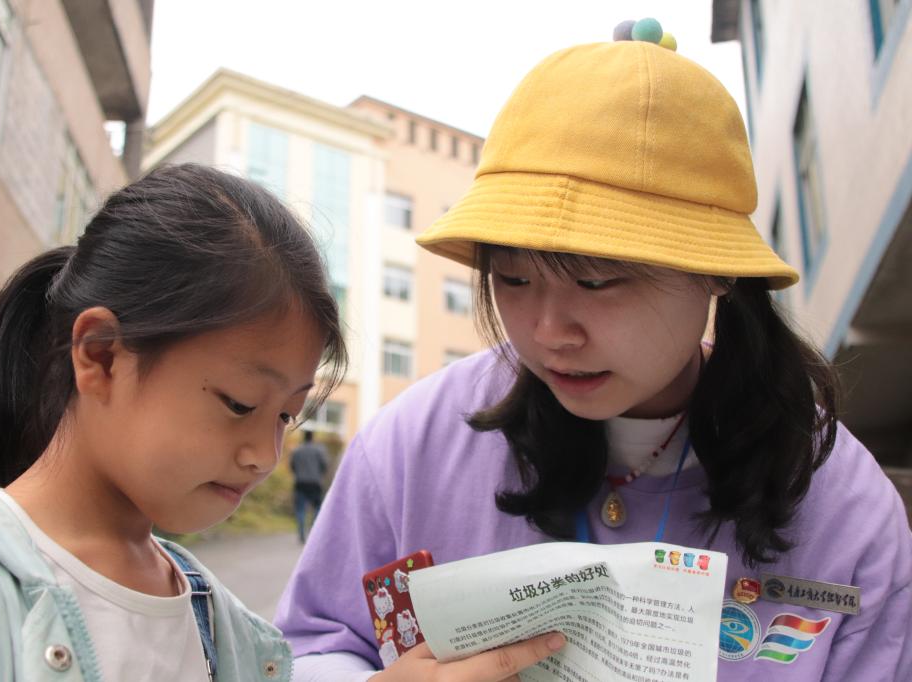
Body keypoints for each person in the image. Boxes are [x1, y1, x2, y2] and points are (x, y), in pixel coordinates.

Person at [275, 25, 912, 682]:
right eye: (512, 279)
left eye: (598, 281)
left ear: (718, 271)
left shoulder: (844, 512)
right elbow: (306, 647)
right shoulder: (414, 447)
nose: (550, 331)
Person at [0, 163, 350, 680]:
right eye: (240, 405)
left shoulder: (230, 632)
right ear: (102, 355)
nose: (265, 456)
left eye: (286, 415)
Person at [291, 429, 330, 543]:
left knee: (300, 509)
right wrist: (319, 474)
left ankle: (301, 533)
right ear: (312, 437)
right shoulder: (319, 450)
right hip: (315, 483)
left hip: (300, 483)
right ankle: (314, 531)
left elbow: (292, 466)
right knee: (317, 507)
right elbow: (324, 465)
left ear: (303, 437)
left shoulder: (297, 450)